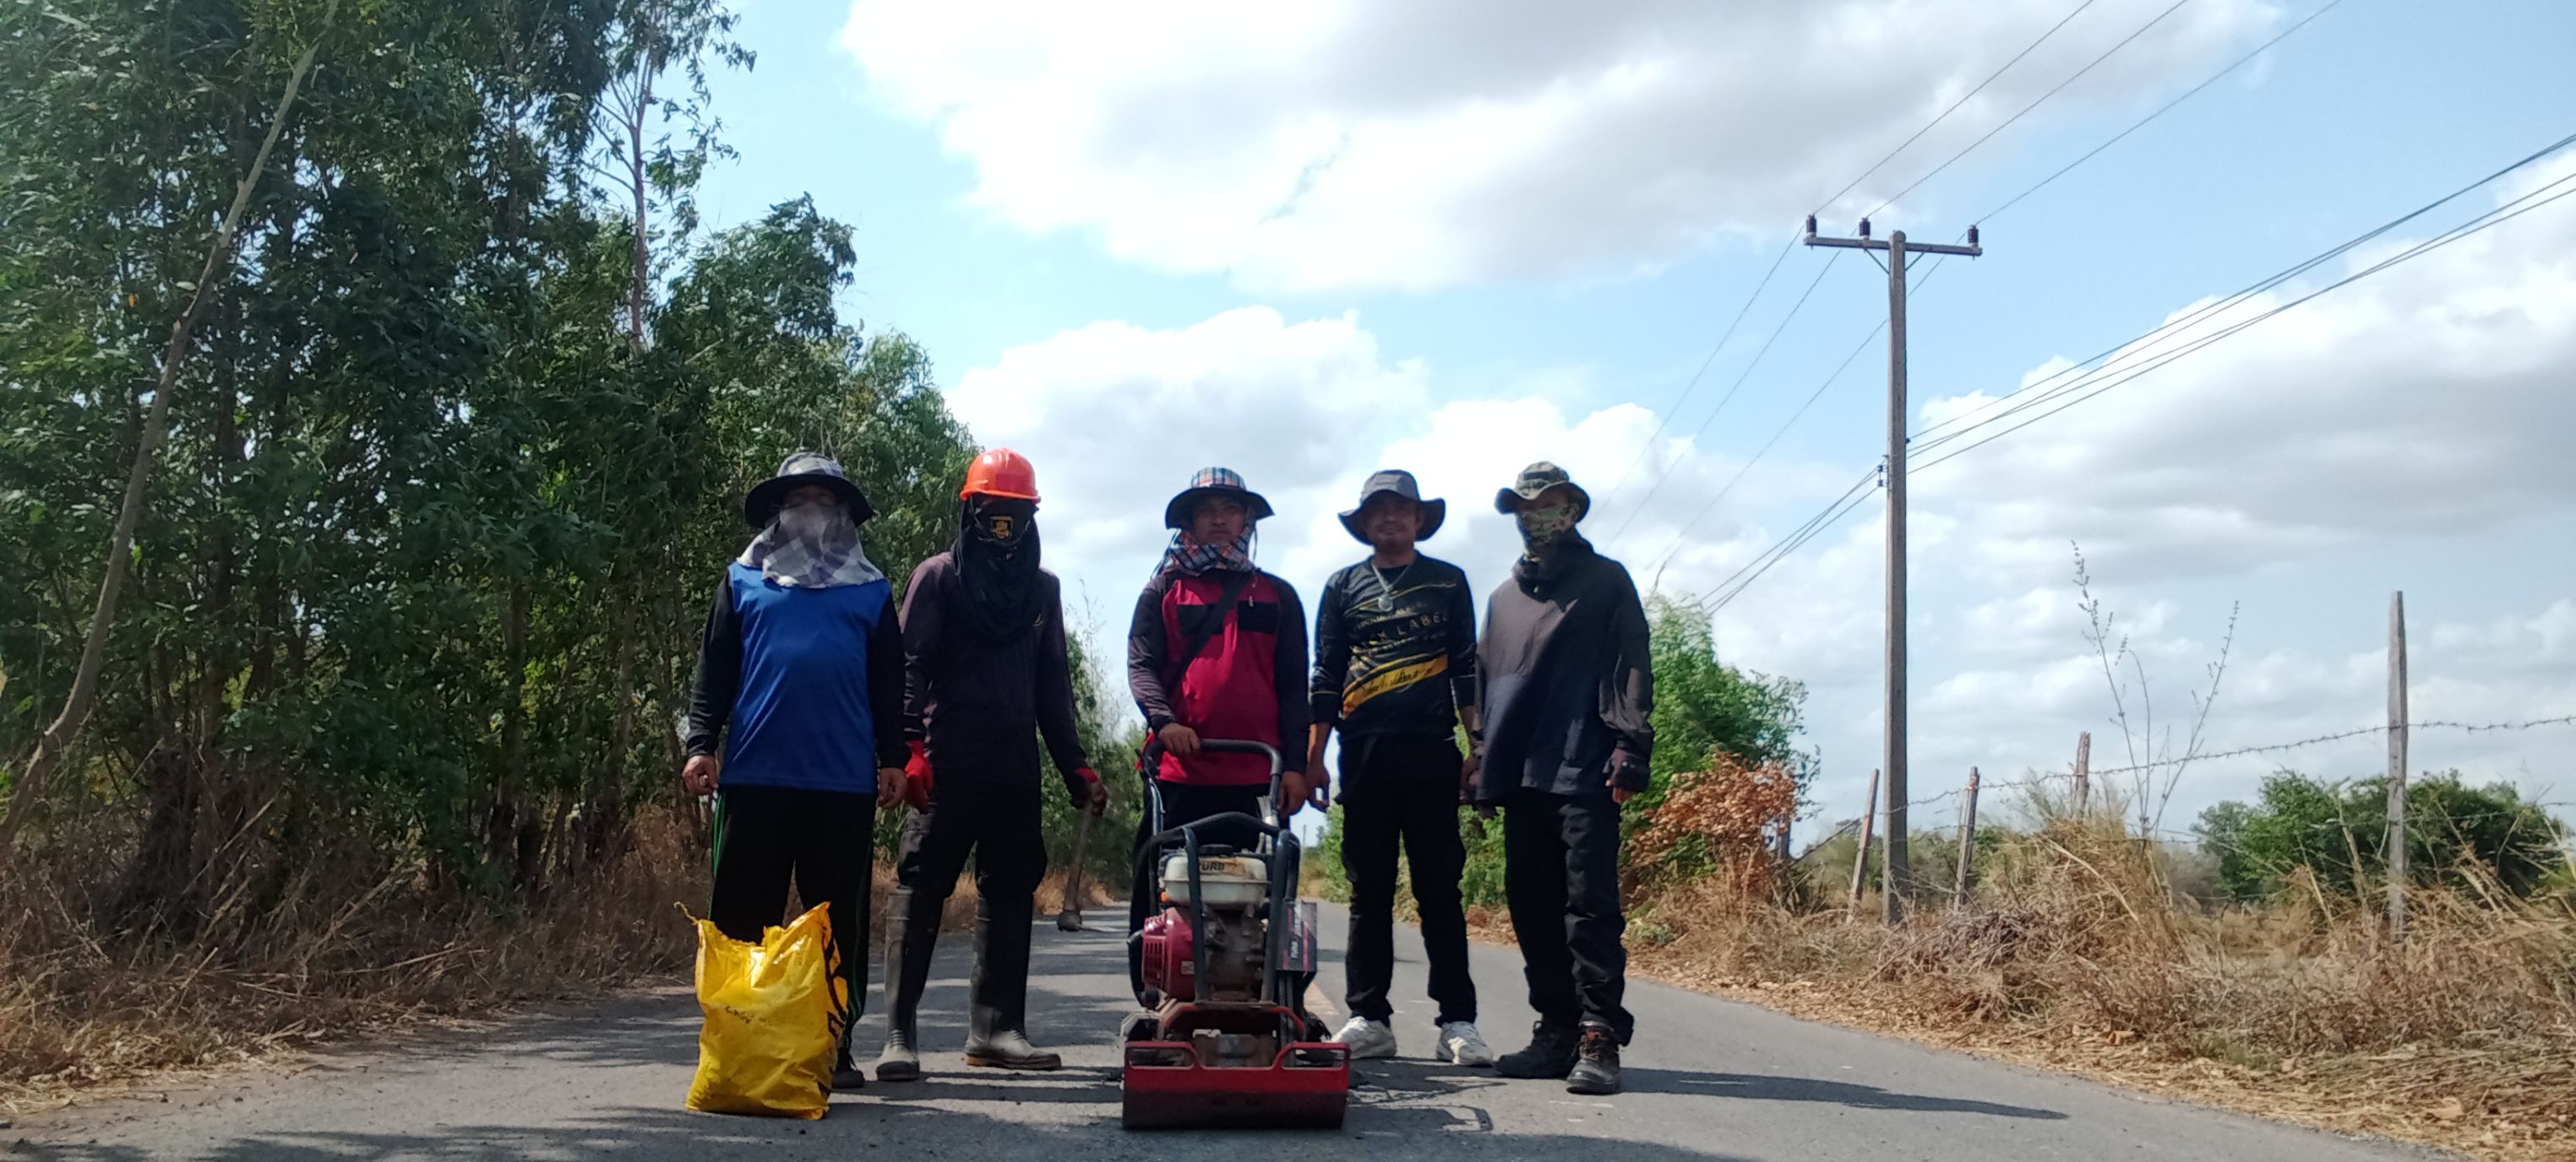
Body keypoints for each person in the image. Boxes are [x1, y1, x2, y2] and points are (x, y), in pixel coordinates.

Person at [876, 449, 1105, 1081]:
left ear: (1031, 516)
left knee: (1010, 892)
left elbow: (1052, 687)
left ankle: (998, 1030)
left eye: (1015, 511)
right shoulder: (938, 577)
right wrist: (907, 751)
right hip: (944, 766)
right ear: (970, 509)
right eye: (992, 510)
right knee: (921, 885)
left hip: (1014, 771)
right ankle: (898, 1035)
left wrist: (1076, 768)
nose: (1003, 523)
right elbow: (909, 666)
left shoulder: (1042, 590)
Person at [683, 451, 908, 1093]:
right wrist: (700, 745)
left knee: (835, 926)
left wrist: (894, 758)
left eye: (824, 500)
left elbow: (888, 683)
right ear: (779, 511)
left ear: (842, 512)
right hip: (755, 777)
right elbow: (714, 671)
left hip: (841, 783)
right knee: (740, 917)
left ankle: (832, 1045)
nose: (811, 510)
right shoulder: (742, 581)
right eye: (798, 499)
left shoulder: (871, 591)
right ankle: (737, 1042)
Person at [1472, 461, 1653, 1096]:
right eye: (1525, 507)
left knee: (1589, 908)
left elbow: (1631, 661)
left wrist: (1630, 745)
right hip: (1520, 772)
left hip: (1584, 766)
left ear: (1572, 510)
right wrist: (1481, 757)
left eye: (1548, 504)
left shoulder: (1605, 581)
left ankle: (1598, 1035)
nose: (1536, 517)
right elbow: (1486, 683)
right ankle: (1556, 1029)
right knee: (1531, 906)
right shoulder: (1502, 598)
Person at [1304, 470, 1492, 1067]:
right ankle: (1369, 1018)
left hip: (1432, 752)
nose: (1389, 518)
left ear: (1418, 519)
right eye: (1377, 510)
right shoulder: (1342, 586)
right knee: (1369, 891)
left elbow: (1466, 668)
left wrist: (1478, 747)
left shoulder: (1447, 581)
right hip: (1364, 754)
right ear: (1364, 523)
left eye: (1400, 509)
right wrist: (1313, 758)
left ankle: (1458, 1022)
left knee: (1439, 890)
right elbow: (1325, 674)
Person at [1125, 466, 1310, 993]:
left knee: (1271, 890)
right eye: (1208, 511)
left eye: (1231, 510)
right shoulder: (1164, 590)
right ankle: (1153, 984)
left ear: (1247, 521)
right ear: (1189, 523)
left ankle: (1273, 993)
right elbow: (1141, 665)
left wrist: (1295, 766)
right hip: (1182, 771)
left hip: (1258, 773)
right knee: (1159, 880)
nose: (1221, 520)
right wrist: (1165, 722)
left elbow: (1294, 687)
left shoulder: (1277, 595)